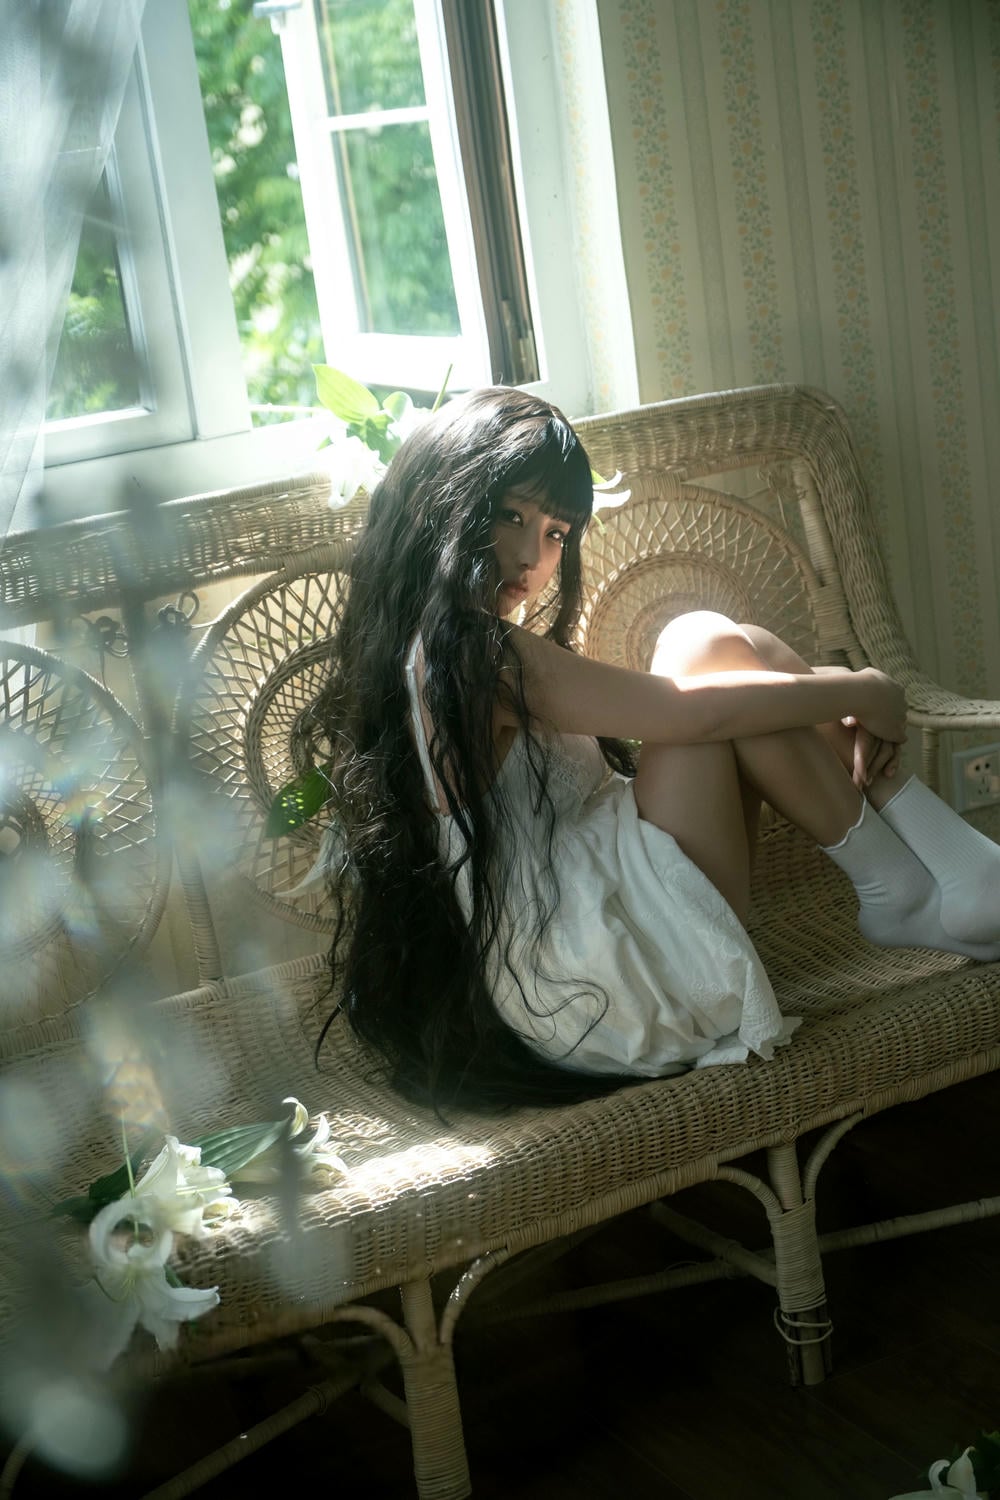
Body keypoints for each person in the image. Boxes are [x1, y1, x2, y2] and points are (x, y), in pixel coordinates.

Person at [310, 386, 1000, 1113]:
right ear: (443, 503)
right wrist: (862, 687)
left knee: (737, 649)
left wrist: (858, 690)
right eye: (512, 515)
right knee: (702, 652)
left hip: (589, 947)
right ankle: (912, 885)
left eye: (556, 532)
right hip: (596, 985)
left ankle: (931, 877)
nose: (532, 556)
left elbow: (712, 708)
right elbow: (692, 714)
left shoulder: (425, 646)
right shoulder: (468, 652)